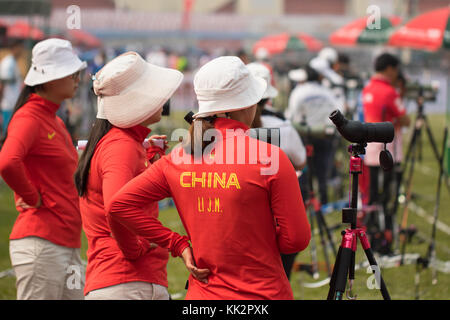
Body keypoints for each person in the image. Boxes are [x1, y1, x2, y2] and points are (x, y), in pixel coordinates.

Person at [107, 56, 311, 300]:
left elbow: (119, 205)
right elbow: (296, 240)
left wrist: (177, 244)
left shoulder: (178, 158)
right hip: (263, 294)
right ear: (244, 105)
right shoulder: (270, 157)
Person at [74, 51, 188, 300]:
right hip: (125, 282)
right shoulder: (121, 146)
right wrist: (145, 246)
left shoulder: (121, 143)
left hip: (126, 282)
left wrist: (150, 161)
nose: (163, 98)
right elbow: (116, 207)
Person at [0, 38, 86, 300]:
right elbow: (7, 161)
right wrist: (32, 196)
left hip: (64, 242)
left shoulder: (53, 120)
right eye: (71, 73)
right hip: (42, 243)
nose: (77, 79)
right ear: (49, 79)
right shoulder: (29, 117)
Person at [247, 62, 307, 280]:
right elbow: (300, 162)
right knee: (279, 276)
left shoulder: (219, 132)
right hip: (279, 219)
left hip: (242, 224)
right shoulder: (283, 126)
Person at [362, 52, 410, 255]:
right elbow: (405, 119)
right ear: (390, 69)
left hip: (370, 149)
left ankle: (372, 235)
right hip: (388, 150)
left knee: (373, 196)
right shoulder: (389, 91)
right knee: (388, 196)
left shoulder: (368, 88)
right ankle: (387, 235)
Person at [286, 60, 338, 206]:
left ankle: (304, 200)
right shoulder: (326, 91)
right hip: (325, 134)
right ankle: (324, 201)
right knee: (323, 169)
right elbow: (337, 111)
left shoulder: (299, 92)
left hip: (306, 135)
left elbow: (292, 116)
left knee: (304, 168)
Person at [0, 39, 24, 135]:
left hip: (12, 104)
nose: (22, 50)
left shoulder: (13, 62)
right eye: (20, 47)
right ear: (15, 48)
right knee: (8, 134)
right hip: (8, 105)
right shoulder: (8, 62)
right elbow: (2, 82)